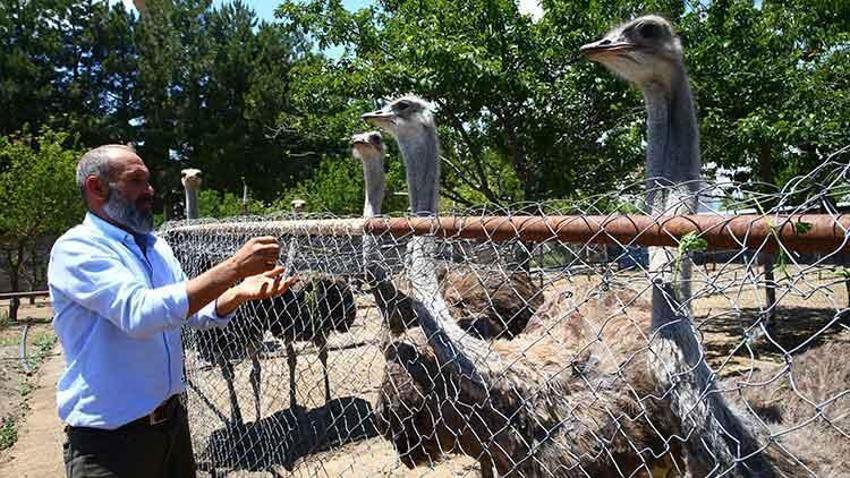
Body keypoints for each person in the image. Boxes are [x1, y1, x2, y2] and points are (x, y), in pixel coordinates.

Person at [47, 144, 295, 478]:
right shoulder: (77, 249)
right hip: (111, 445)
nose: (150, 190)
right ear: (97, 187)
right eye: (136, 181)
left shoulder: (155, 246)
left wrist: (238, 293)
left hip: (171, 427)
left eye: (148, 181)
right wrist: (233, 268)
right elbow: (140, 314)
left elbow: (190, 311)